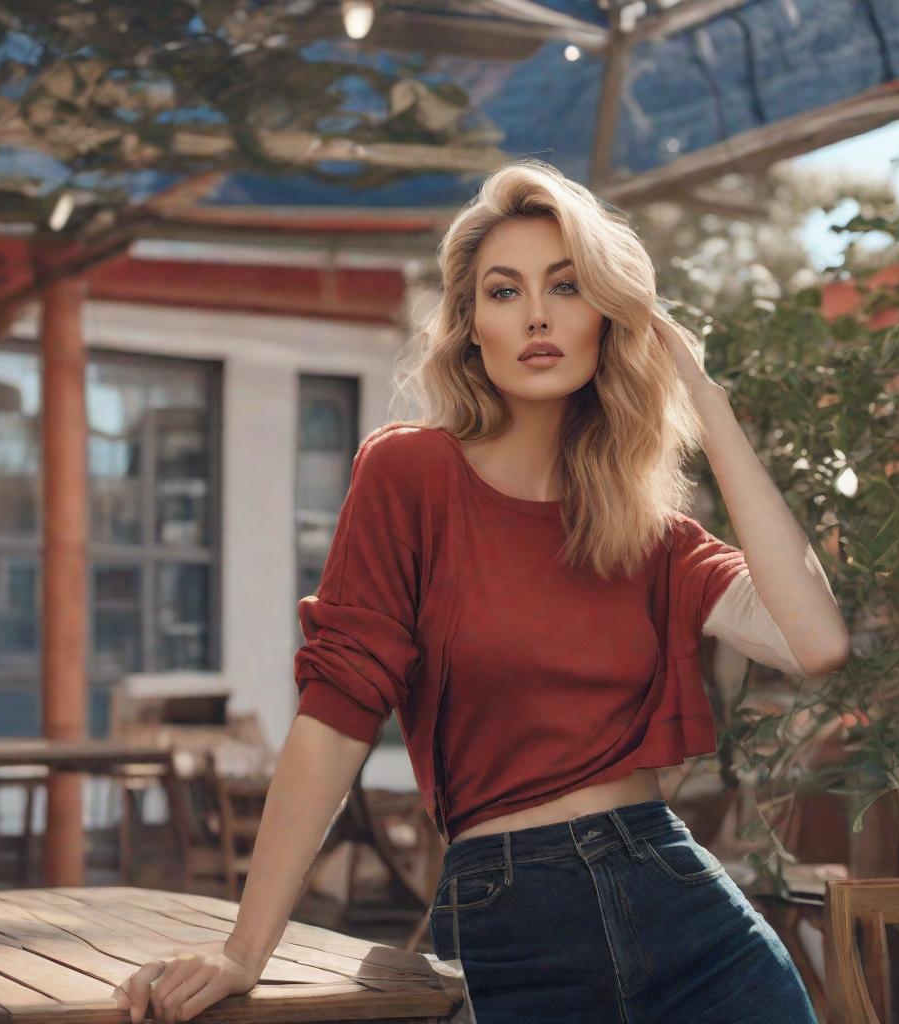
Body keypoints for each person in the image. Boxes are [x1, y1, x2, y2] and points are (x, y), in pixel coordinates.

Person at [115, 159, 849, 1023]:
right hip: (514, 917)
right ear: (470, 328)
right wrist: (246, 949)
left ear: (611, 319)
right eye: (504, 292)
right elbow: (337, 717)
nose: (537, 314)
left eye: (567, 286)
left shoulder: (647, 530)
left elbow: (817, 641)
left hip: (684, 911)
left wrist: (702, 396)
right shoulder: (410, 475)